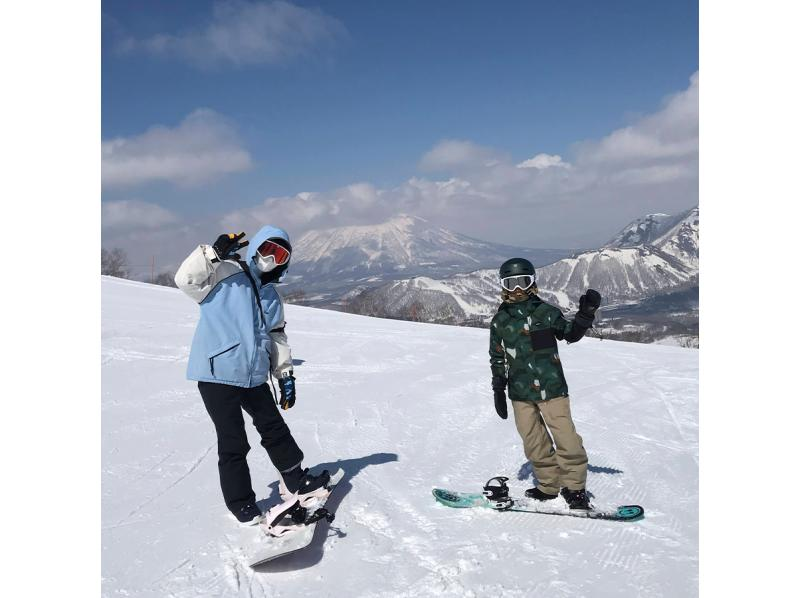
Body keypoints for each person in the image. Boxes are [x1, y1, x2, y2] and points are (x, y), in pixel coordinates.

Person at [174, 226, 330, 526]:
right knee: (233, 440)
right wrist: (212, 254)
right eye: (268, 249)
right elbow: (185, 280)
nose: (272, 258)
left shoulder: (271, 297)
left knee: (274, 428)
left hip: (253, 375)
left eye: (280, 254)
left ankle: (295, 479)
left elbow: (276, 337)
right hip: (217, 373)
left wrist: (285, 376)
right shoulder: (224, 274)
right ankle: (241, 503)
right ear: (257, 248)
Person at [488, 258, 601, 510]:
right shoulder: (500, 321)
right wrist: (498, 386)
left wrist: (585, 316)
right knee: (533, 441)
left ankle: (574, 488)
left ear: (532, 283)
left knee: (566, 438)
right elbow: (497, 356)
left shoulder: (546, 313)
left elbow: (569, 333)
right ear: (503, 286)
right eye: (511, 283)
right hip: (519, 392)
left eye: (522, 282)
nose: (517, 289)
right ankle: (549, 485)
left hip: (552, 389)